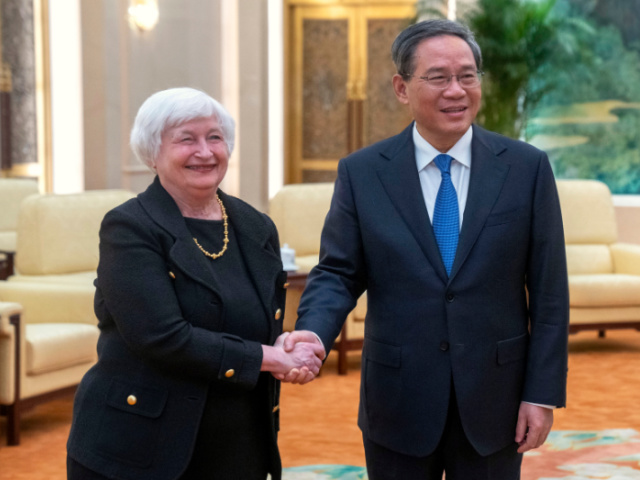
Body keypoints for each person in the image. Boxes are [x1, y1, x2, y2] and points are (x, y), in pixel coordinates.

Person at [280, 19, 569, 479]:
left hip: (496, 399)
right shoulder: (363, 172)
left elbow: (551, 292)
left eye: (467, 75)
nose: (456, 90)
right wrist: (314, 334)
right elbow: (338, 272)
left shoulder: (526, 168)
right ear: (402, 87)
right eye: (438, 77)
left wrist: (542, 392)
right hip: (398, 399)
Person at [66, 87, 325, 480]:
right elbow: (161, 337)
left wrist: (287, 343)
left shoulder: (256, 226)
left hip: (239, 445)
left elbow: (258, 322)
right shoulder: (130, 227)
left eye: (215, 137)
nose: (205, 152)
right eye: (186, 139)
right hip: (140, 449)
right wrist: (271, 359)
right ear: (153, 153)